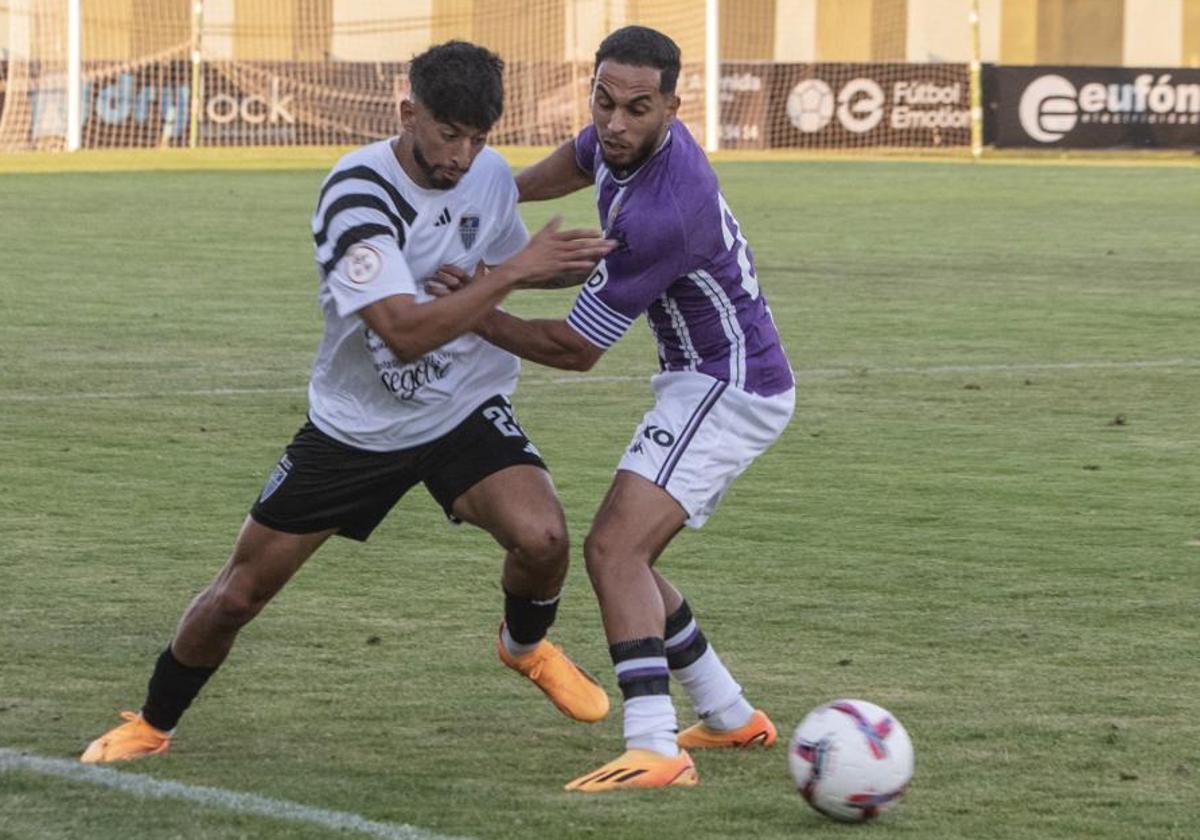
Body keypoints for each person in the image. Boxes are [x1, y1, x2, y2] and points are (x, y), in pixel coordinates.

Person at [81, 41, 615, 764]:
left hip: (461, 406)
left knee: (544, 538)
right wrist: (518, 270)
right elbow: (400, 331)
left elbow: (495, 265)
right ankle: (152, 720)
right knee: (239, 596)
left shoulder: (486, 173)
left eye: (479, 138)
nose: (463, 155)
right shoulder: (357, 192)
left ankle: (524, 647)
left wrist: (585, 259)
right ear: (407, 112)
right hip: (357, 428)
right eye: (448, 133)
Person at [432, 26, 795, 792]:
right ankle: (731, 716)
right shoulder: (619, 139)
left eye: (638, 108)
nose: (615, 122)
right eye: (604, 101)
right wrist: (493, 192)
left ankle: (656, 747)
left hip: (727, 387)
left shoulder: (665, 211)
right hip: (706, 379)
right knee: (633, 559)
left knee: (611, 551)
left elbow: (573, 348)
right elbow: (577, 159)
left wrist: (472, 300)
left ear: (673, 106)